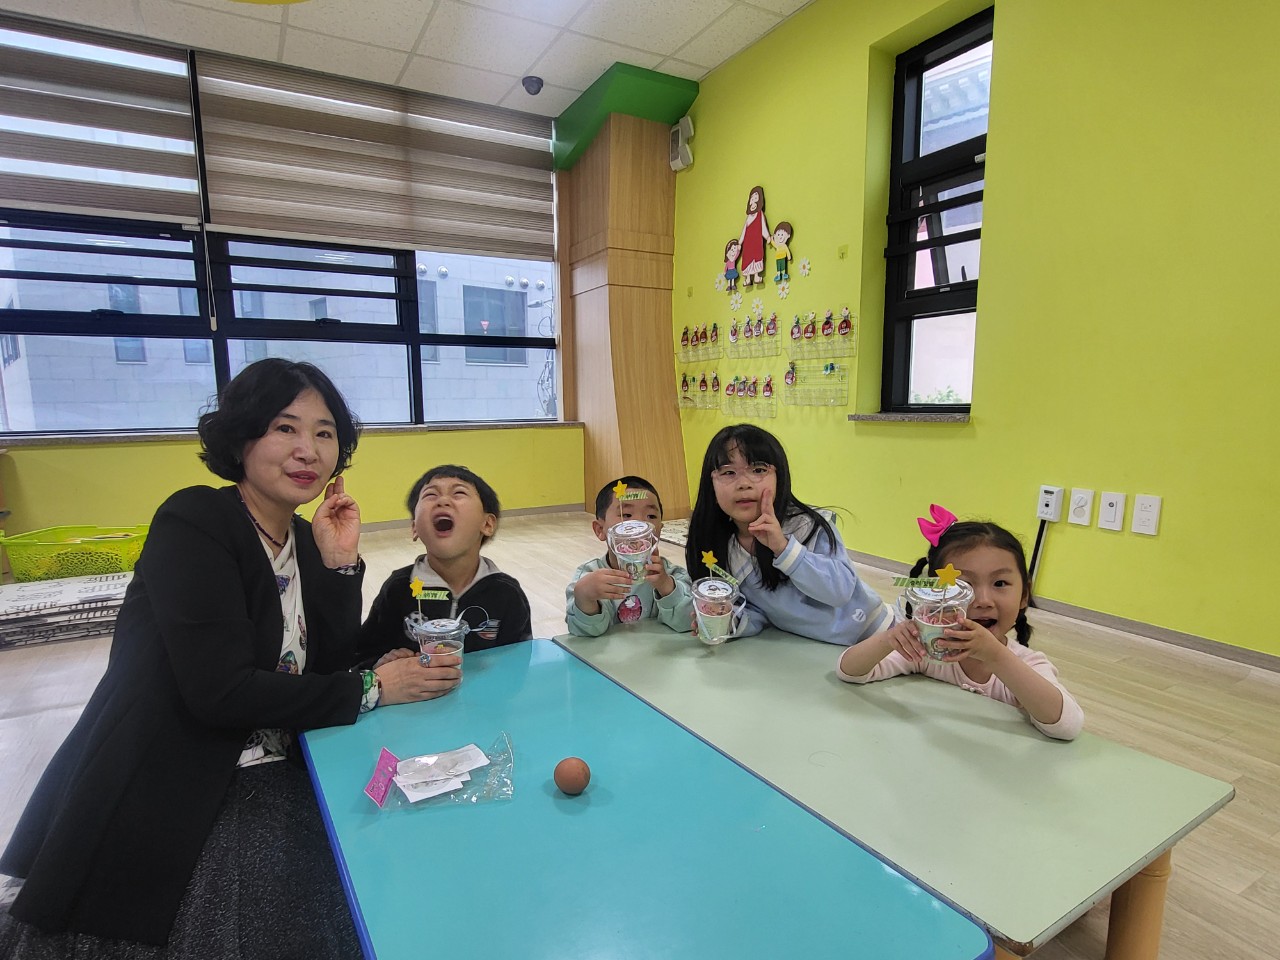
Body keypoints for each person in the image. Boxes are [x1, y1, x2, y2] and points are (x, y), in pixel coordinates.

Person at [0, 359, 458, 959]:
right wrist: (373, 687)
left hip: (283, 757)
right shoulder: (195, 520)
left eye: (324, 434)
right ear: (241, 437)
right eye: (285, 428)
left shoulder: (304, 537)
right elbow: (220, 692)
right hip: (181, 772)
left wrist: (339, 563)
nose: (308, 450)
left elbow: (325, 667)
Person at [836, 511, 1084, 741]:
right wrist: (889, 639)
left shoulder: (1027, 664)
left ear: (1024, 595)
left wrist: (995, 655)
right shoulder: (927, 651)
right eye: (963, 585)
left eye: (1000, 583)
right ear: (936, 593)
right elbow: (849, 671)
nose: (983, 600)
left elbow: (1067, 726)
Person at [685, 424, 890, 645]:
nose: (743, 484)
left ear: (779, 478)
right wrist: (729, 620)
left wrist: (783, 549)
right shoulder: (724, 549)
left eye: (758, 470)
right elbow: (761, 612)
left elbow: (840, 592)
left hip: (877, 634)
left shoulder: (807, 526)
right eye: (728, 472)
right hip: (818, 649)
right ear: (711, 485)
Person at [354, 465, 532, 668]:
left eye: (459, 493)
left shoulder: (506, 593)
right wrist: (380, 664)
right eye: (430, 495)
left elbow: (521, 663)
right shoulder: (398, 588)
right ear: (415, 527)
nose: (443, 501)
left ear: (487, 524)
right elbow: (363, 655)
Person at [566, 476, 693, 636]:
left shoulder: (672, 575)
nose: (639, 524)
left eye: (651, 516)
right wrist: (585, 598)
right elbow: (583, 635)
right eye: (626, 515)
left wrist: (666, 587)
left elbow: (689, 622)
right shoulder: (588, 576)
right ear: (600, 529)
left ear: (659, 530)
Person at [737, 185, 770, 287]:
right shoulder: (748, 217)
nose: (754, 200)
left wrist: (767, 237)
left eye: (756, 198)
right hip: (748, 243)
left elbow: (763, 227)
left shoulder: (760, 214)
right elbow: (744, 231)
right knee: (747, 258)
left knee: (756, 257)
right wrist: (739, 243)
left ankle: (756, 276)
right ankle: (747, 278)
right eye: (752, 198)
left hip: (756, 241)